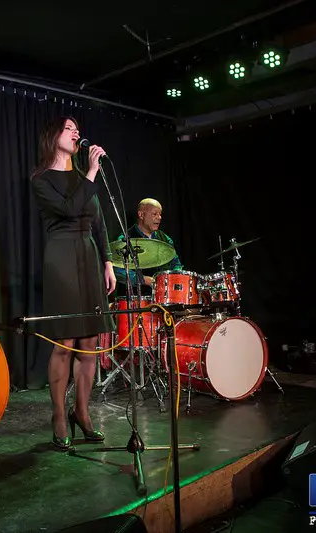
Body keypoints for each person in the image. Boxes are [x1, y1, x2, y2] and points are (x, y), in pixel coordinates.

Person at [30, 116, 117, 450]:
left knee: (90, 341)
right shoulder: (41, 179)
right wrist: (92, 172)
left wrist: (107, 262)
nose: (76, 132)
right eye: (69, 128)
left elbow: (99, 222)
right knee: (65, 341)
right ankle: (58, 415)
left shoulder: (84, 178)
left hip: (88, 257)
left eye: (77, 128)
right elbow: (69, 209)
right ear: (52, 136)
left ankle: (82, 412)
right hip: (62, 256)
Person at [112, 198, 184, 293]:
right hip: (135, 296)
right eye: (154, 214)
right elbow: (118, 269)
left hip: (162, 295)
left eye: (160, 214)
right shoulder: (125, 239)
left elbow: (176, 264)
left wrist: (174, 276)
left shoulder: (165, 239)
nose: (159, 217)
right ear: (141, 215)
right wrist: (142, 279)